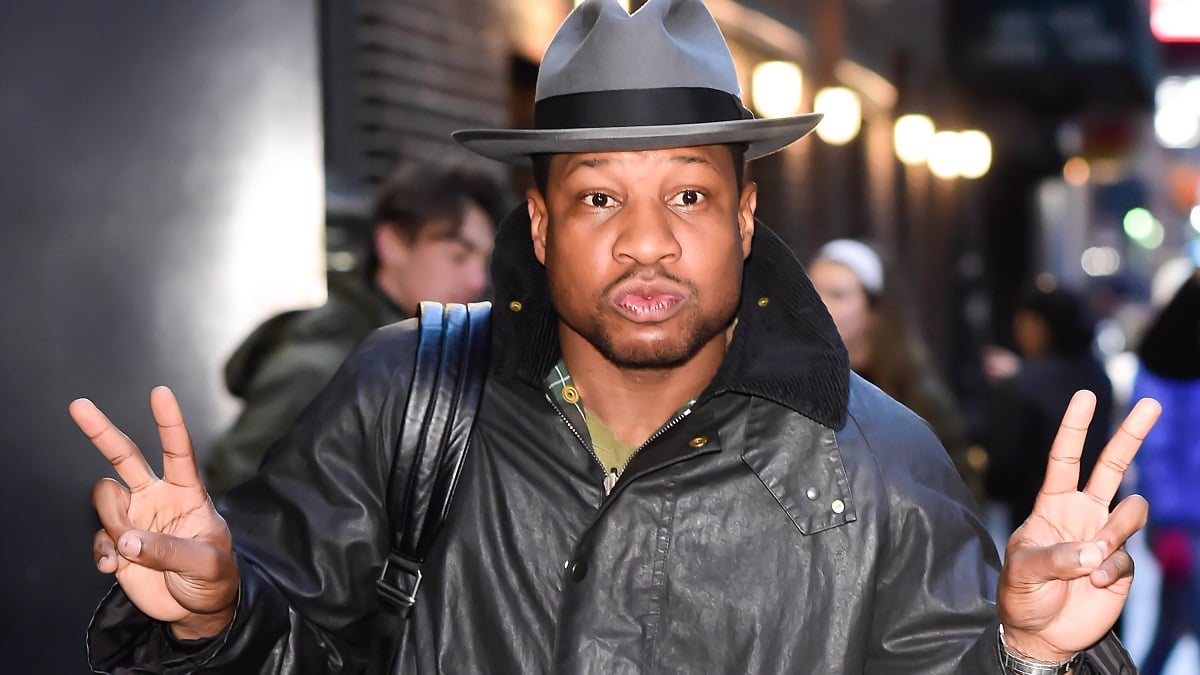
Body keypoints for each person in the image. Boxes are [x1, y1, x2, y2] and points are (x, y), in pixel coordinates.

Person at [74, 1, 1159, 672]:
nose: (647, 244)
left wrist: (1029, 657)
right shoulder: (402, 399)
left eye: (688, 197)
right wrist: (216, 621)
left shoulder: (874, 463)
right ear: (540, 225)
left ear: (744, 218)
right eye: (599, 200)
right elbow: (296, 651)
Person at [203, 161, 511, 496]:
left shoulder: (426, 352)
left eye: (485, 262)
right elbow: (232, 496)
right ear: (392, 243)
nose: (478, 280)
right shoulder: (327, 362)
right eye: (458, 256)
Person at [809, 238, 983, 503]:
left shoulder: (919, 396)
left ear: (874, 309)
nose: (818, 304)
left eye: (837, 294)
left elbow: (959, 493)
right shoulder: (795, 384)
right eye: (811, 291)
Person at [983, 285, 1114, 534]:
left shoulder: (1022, 385)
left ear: (1038, 324)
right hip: (1099, 514)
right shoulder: (1099, 376)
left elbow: (1003, 469)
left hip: (1038, 519)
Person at [1131, 270, 1200, 675]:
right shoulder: (1161, 367)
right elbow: (1154, 452)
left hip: (1187, 520)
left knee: (1171, 626)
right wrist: (1170, 523)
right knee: (1178, 620)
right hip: (1179, 524)